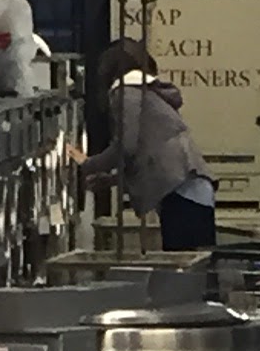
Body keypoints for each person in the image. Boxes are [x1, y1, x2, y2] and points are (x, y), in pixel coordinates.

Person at [82, 37, 216, 251]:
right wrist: (112, 180)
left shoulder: (126, 94)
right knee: (198, 266)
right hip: (193, 186)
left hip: (179, 191)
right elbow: (149, 152)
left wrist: (88, 165)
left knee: (182, 268)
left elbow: (126, 146)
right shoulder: (147, 92)